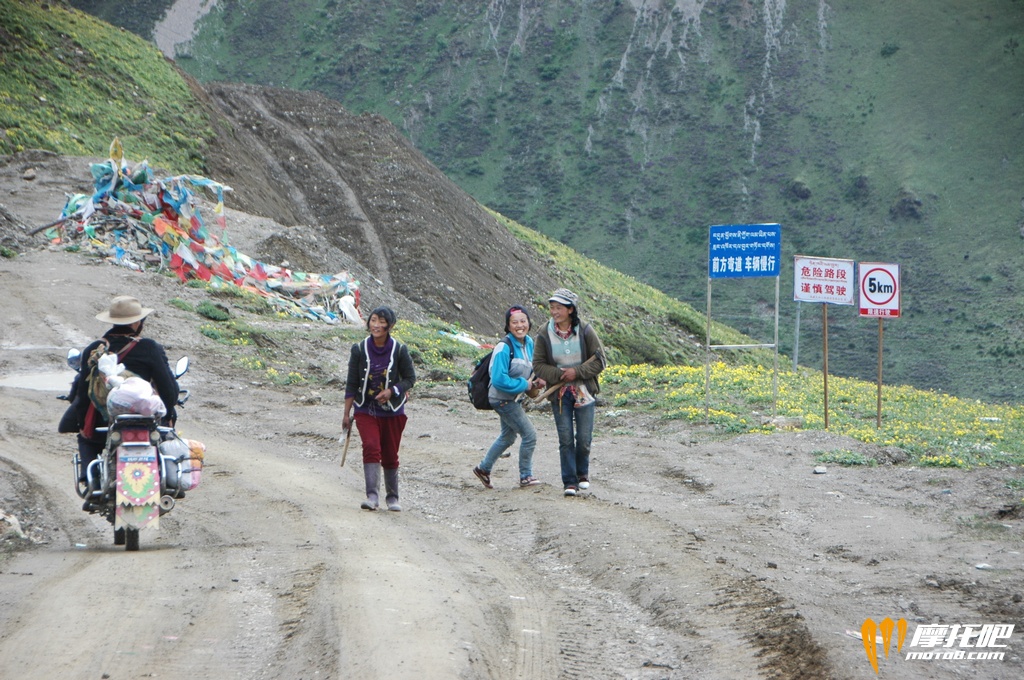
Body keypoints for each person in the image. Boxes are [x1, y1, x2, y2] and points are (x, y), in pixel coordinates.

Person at [69, 296, 180, 493]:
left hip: (104, 426)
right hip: (147, 424)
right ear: (137, 322)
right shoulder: (150, 348)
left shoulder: (94, 350)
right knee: (166, 434)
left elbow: (83, 397)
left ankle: (90, 480)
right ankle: (169, 481)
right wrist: (169, 412)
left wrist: (83, 423)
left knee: (85, 438)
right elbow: (169, 394)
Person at [532, 288, 607, 497]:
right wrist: (558, 374)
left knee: (583, 438)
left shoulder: (585, 331)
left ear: (571, 310)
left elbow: (601, 360)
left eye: (559, 308)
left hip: (584, 391)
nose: (554, 312)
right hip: (558, 394)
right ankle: (569, 482)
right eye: (552, 308)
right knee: (565, 438)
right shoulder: (544, 332)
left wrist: (577, 372)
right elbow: (537, 365)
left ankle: (582, 473)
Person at [342, 306, 416, 511]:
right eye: (373, 320)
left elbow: (410, 379)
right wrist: (346, 414)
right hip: (366, 409)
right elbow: (351, 383)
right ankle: (372, 496)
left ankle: (392, 497)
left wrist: (392, 390)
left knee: (390, 454)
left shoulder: (399, 350)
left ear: (390, 326)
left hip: (393, 411)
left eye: (381, 322)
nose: (376, 325)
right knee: (372, 447)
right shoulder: (359, 349)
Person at [472, 306, 546, 490]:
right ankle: (526, 476)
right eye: (515, 322)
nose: (519, 325)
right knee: (529, 435)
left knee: (508, 437)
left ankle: (483, 469)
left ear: (529, 323)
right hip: (502, 399)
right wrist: (525, 385)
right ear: (508, 325)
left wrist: (536, 381)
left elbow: (531, 368)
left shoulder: (529, 343)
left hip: (514, 399)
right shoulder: (503, 347)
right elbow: (498, 379)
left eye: (523, 321)